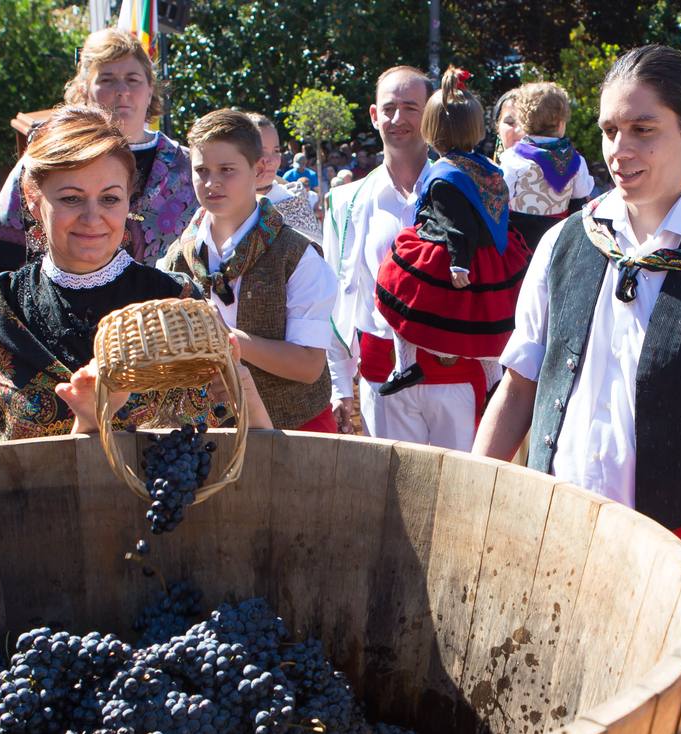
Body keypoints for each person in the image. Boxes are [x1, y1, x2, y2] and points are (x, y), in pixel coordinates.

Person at [473, 44, 681, 618]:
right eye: (609, 130)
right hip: (556, 543)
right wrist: (475, 497)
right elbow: (521, 385)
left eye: (642, 129)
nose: (619, 151)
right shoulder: (565, 242)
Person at [0, 106, 267, 448]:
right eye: (71, 199)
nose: (93, 218)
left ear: (128, 200)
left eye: (109, 198)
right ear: (33, 200)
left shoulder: (177, 307)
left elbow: (250, 457)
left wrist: (245, 390)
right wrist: (90, 422)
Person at [326, 66, 490, 450]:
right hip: (383, 374)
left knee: (461, 496)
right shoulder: (346, 203)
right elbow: (339, 295)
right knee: (393, 495)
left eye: (411, 108)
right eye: (389, 108)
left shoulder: (471, 191)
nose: (398, 119)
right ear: (373, 115)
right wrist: (338, 382)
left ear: (430, 113)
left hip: (456, 373)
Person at [0, 28, 197, 294]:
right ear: (85, 90)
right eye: (108, 79)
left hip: (162, 323)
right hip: (57, 319)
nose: (122, 91)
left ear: (150, 91)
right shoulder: (51, 157)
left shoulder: (188, 169)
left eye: (133, 79)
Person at [158, 110, 337, 432]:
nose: (212, 182)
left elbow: (309, 365)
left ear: (257, 170)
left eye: (227, 170)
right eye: (202, 170)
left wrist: (227, 339)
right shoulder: (178, 259)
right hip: (212, 431)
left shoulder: (296, 255)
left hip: (294, 429)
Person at [373, 67, 530, 395]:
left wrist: (458, 263)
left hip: (450, 256)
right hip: (493, 256)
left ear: (431, 129)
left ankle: (407, 365)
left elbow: (455, 226)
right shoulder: (487, 168)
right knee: (488, 331)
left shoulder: (446, 175)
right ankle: (494, 382)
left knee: (398, 299)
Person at [498, 81, 594, 250]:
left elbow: (502, 198)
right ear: (561, 124)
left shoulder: (513, 159)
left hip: (517, 242)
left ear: (522, 121)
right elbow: (581, 197)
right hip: (558, 240)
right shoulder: (575, 160)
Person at [247, 111, 321, 243]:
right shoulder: (226, 207)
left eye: (276, 151)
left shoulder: (294, 202)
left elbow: (318, 254)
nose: (271, 160)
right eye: (261, 151)